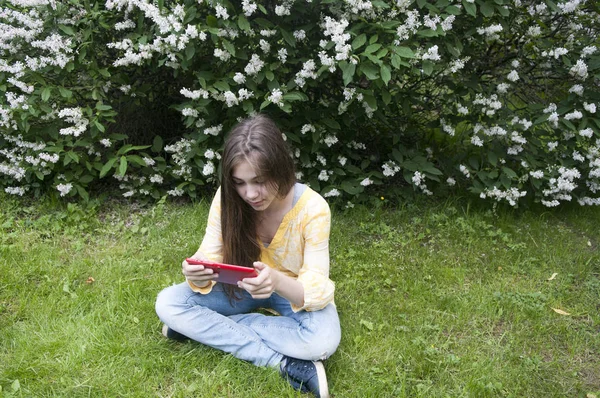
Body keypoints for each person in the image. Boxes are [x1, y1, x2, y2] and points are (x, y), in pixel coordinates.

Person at [155, 114, 341, 398]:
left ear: (279, 168)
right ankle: (283, 364)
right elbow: (209, 252)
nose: (250, 194)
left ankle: (203, 329)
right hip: (241, 288)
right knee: (169, 302)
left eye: (259, 181)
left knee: (323, 341)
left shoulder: (313, 209)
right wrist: (195, 269)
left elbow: (314, 287)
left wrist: (275, 280)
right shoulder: (228, 199)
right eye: (240, 183)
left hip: (289, 291)